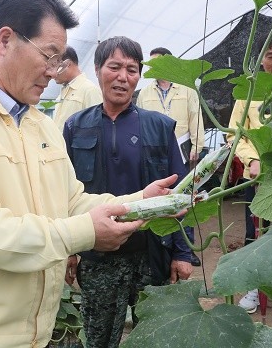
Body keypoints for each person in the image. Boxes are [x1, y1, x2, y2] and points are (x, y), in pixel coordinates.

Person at [0, 0, 183, 348]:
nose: (54, 70)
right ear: (5, 40)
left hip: (37, 333)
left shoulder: (41, 124)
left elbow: (72, 202)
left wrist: (139, 201)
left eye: (60, 59)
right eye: (49, 54)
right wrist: (83, 233)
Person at [62, 36, 194, 348]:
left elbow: (181, 193)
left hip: (151, 253)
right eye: (115, 67)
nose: (123, 77)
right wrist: (69, 246)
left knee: (154, 336)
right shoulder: (75, 127)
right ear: (98, 70)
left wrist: (183, 252)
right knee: (99, 338)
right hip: (98, 257)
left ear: (138, 77)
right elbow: (64, 192)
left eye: (132, 70)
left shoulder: (160, 126)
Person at [226, 30, 272, 314]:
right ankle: (255, 287)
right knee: (255, 235)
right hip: (256, 177)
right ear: (260, 60)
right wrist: (252, 159)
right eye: (270, 55)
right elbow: (234, 134)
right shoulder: (250, 90)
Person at [136, 46, 206, 267]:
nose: (154, 67)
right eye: (151, 63)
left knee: (184, 199)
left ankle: (186, 248)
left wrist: (197, 146)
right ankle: (161, 243)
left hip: (183, 154)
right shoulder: (145, 93)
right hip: (154, 155)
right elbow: (139, 122)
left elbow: (196, 118)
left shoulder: (186, 89)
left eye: (159, 63)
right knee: (160, 198)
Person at [52, 45, 102, 131]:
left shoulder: (89, 90)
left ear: (68, 64)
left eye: (55, 68)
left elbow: (98, 127)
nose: (53, 74)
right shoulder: (62, 93)